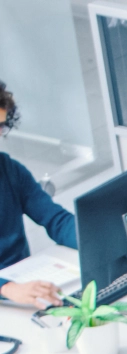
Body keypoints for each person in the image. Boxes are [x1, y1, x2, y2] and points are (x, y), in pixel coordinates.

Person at [0, 83, 76, 311]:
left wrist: (96, 241)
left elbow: (57, 221)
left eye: (1, 126)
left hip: (25, 293)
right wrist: (7, 288)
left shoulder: (9, 170)